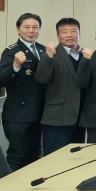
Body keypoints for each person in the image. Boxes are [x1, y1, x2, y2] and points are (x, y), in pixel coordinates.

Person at [0, 13, 46, 171]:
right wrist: (15, 65)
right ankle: (9, 187)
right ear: (18, 29)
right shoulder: (11, 51)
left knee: (34, 156)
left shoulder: (43, 50)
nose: (31, 31)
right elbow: (4, 80)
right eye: (26, 27)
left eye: (35, 27)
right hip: (18, 114)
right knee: (16, 156)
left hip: (39, 113)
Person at [35, 18, 86, 155]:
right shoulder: (51, 54)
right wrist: (49, 56)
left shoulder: (85, 55)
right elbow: (41, 79)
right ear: (58, 35)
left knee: (76, 158)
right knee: (54, 158)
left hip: (80, 117)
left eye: (73, 31)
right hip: (57, 117)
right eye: (64, 32)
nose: (69, 35)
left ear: (79, 34)